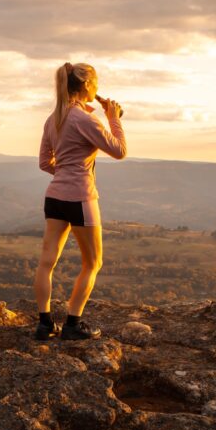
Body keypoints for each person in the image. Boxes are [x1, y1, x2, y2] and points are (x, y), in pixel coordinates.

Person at [33, 61, 127, 340]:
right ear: (86, 85)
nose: (98, 89)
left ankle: (44, 323)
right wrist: (114, 118)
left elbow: (43, 163)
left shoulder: (54, 119)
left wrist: (63, 172)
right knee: (93, 263)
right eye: (96, 83)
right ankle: (73, 324)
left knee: (46, 262)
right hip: (81, 198)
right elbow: (119, 150)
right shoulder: (85, 119)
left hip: (54, 197)